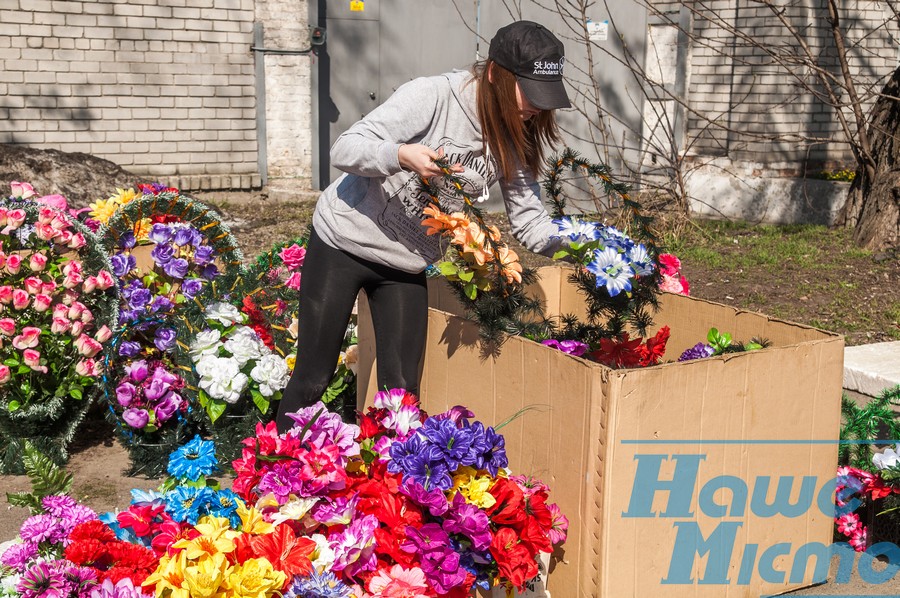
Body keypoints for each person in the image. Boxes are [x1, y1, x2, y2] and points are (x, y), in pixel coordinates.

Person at [275, 20, 572, 432]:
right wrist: (400, 155)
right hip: (343, 242)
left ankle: (389, 489)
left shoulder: (514, 133)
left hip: (405, 264)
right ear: (494, 74)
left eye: (546, 97)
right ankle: (270, 479)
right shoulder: (432, 95)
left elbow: (530, 221)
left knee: (401, 395)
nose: (537, 108)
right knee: (313, 378)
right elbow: (345, 148)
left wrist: (585, 246)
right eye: (531, 93)